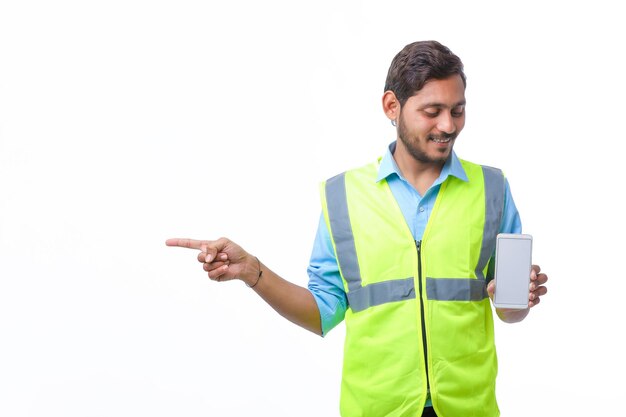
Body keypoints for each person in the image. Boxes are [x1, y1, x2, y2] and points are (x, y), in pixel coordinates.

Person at [166, 40, 548, 417]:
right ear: (391, 106)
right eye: (432, 111)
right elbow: (323, 311)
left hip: (470, 409)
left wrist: (518, 301)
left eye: (458, 110)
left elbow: (509, 311)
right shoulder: (342, 196)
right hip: (376, 410)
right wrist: (254, 272)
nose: (448, 125)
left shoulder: (492, 189)